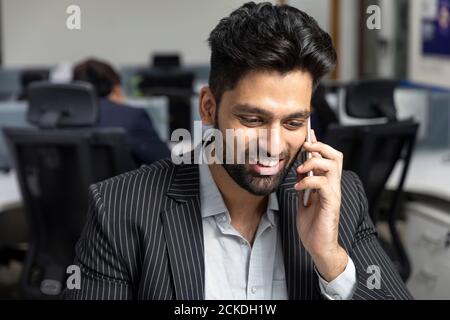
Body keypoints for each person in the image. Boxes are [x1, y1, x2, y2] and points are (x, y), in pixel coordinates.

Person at [65, 2, 412, 300]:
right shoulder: (120, 207)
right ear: (208, 107)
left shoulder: (339, 197)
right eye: (252, 119)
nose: (274, 146)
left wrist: (331, 259)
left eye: (293, 123)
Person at [73, 58, 170, 166]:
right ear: (115, 88)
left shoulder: (59, 119)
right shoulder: (131, 117)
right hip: (117, 183)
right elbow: (168, 165)